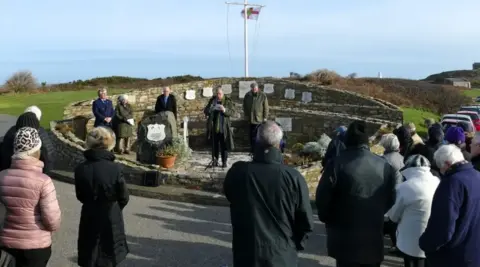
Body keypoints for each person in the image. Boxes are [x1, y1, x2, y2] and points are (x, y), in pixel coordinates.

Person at [223, 121, 314, 267]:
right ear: (281, 145)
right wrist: (292, 245)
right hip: (282, 255)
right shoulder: (293, 178)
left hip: (247, 254)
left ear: (255, 142)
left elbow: (230, 195)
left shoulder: (238, 172)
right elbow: (306, 222)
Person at [316, 120, 399, 267]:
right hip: (373, 232)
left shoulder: (337, 163)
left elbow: (323, 198)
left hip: (344, 234)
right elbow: (392, 197)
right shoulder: (385, 166)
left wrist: (330, 219)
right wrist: (377, 212)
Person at [0, 127, 61, 267]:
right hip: (36, 246)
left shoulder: (1, 176)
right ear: (36, 151)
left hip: (5, 245)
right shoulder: (44, 181)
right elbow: (52, 221)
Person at [75, 127, 130, 267]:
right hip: (110, 215)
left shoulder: (81, 168)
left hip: (89, 214)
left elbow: (80, 195)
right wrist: (115, 207)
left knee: (90, 255)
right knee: (109, 257)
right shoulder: (115, 169)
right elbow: (124, 196)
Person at [419, 144, 480, 267]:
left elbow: (443, 227)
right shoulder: (477, 175)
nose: (441, 171)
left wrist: (425, 244)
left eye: (441, 167)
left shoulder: (452, 183)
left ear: (447, 164)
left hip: (453, 257)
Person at [386, 155, 440, 267]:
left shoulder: (404, 187)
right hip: (434, 238)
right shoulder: (437, 182)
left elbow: (393, 216)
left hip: (410, 242)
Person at [0, 107, 55, 173]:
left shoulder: (12, 132)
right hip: (37, 173)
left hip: (11, 171)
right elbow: (48, 154)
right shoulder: (41, 132)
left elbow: (5, 154)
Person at [203, 86, 235, 168]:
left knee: (224, 146)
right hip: (214, 127)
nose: (218, 95)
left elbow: (232, 112)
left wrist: (224, 110)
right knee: (215, 145)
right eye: (217, 94)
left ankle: (224, 162)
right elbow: (205, 111)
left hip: (223, 127)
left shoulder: (228, 101)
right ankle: (215, 161)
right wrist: (211, 108)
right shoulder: (212, 100)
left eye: (220, 94)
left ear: (223, 93)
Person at [243, 82, 269, 153]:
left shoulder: (262, 95)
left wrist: (265, 117)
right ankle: (252, 149)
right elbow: (244, 106)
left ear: (257, 88)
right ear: (251, 88)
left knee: (258, 136)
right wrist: (246, 115)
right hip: (250, 119)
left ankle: (258, 150)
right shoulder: (247, 95)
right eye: (253, 88)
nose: (254, 89)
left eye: (255, 88)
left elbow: (266, 108)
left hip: (259, 119)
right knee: (251, 136)